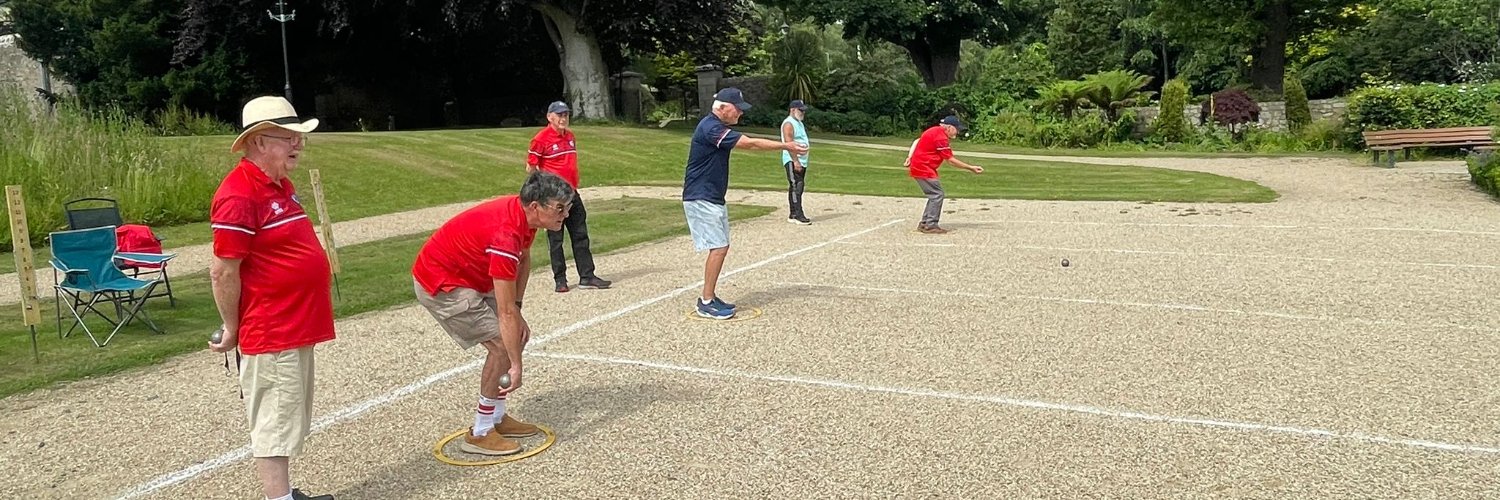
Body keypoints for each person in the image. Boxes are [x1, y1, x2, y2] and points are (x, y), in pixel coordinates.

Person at [208, 96, 336, 500]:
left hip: (294, 323)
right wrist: (232, 328)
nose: (298, 144)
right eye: (288, 137)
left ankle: (284, 495)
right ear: (260, 142)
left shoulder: (278, 184)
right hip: (272, 327)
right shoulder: (239, 195)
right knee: (274, 422)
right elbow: (223, 270)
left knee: (289, 416)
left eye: (297, 137)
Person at [411, 171, 575, 455]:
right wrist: (516, 365)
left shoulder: (524, 217)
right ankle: (480, 431)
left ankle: (497, 416)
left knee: (514, 335)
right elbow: (504, 311)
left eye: (568, 207)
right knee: (502, 344)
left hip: (468, 276)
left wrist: (519, 309)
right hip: (442, 284)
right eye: (559, 208)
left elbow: (523, 260)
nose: (565, 214)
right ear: (536, 206)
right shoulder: (506, 234)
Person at [682, 87, 809, 320]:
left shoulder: (716, 127)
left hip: (711, 196)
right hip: (701, 196)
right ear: (722, 108)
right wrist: (787, 146)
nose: (740, 113)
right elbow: (750, 144)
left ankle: (710, 296)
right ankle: (706, 301)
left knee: (721, 246)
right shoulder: (710, 128)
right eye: (737, 109)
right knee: (719, 247)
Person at [527, 100, 612, 293]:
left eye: (566, 115)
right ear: (550, 117)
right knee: (556, 239)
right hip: (553, 197)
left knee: (580, 234)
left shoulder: (570, 136)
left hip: (572, 193)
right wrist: (541, 191)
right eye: (559, 115)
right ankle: (560, 279)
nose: (563, 118)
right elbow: (531, 168)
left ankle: (587, 275)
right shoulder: (540, 139)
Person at [905, 115, 985, 234]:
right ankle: (930, 225)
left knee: (934, 195)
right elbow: (951, 160)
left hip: (921, 167)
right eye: (956, 129)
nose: (957, 132)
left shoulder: (933, 130)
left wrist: (910, 157)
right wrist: (970, 168)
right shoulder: (940, 137)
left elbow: (917, 141)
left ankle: (925, 223)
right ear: (949, 127)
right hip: (924, 168)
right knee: (937, 194)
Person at [781, 100, 812, 225]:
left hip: (802, 159)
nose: (803, 112)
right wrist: (795, 160)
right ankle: (798, 215)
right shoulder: (789, 123)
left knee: (798, 186)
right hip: (792, 159)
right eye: (800, 110)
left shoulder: (798, 123)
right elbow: (789, 144)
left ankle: (793, 213)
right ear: (793, 110)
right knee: (796, 186)